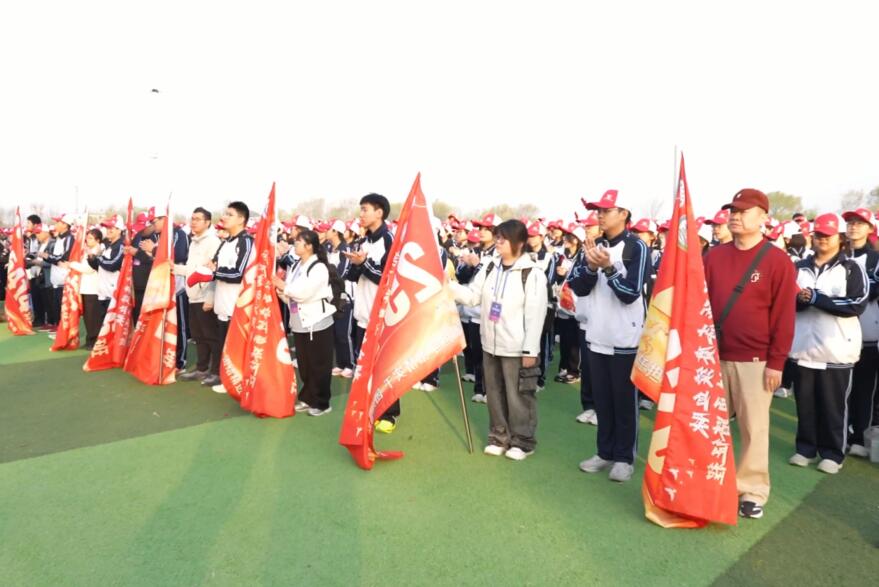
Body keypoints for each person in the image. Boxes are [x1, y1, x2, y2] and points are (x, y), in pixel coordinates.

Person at [704, 188, 798, 519]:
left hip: (756, 361)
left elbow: (784, 317)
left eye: (743, 211)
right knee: (709, 425)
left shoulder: (777, 261)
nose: (735, 216)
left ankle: (751, 490)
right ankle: (709, 483)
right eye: (733, 210)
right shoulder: (713, 256)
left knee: (753, 429)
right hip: (712, 357)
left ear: (763, 218)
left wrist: (777, 362)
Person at [570, 190, 650, 483]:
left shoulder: (636, 247)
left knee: (624, 402)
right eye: (598, 211)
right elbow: (578, 286)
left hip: (625, 338)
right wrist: (592, 267)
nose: (600, 215)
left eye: (606, 210)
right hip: (597, 334)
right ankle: (604, 452)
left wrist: (608, 268)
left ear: (624, 214)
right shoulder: (594, 245)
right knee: (603, 401)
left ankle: (624, 458)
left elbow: (631, 293)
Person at [452, 219, 548, 461]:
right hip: (490, 343)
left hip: (517, 346)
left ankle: (523, 441)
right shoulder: (490, 267)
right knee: (494, 393)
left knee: (518, 395)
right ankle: (499, 436)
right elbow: (472, 296)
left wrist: (530, 350)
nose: (498, 242)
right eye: (498, 237)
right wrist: (448, 286)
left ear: (520, 242)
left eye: (504, 238)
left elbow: (536, 315)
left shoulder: (532, 273)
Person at [789, 213, 868, 474]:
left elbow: (856, 303)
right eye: (819, 234)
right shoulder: (799, 266)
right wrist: (801, 301)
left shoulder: (851, 267)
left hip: (836, 348)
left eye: (828, 235)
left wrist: (817, 298)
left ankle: (833, 453)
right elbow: (786, 299)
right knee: (805, 404)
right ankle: (805, 449)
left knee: (834, 407)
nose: (823, 239)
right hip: (802, 346)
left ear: (840, 238)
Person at [344, 193, 398, 431]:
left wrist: (363, 263)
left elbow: (387, 278)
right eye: (361, 209)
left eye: (365, 209)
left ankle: (389, 414)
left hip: (382, 316)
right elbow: (352, 276)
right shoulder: (364, 241)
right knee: (365, 365)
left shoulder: (389, 239)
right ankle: (368, 406)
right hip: (363, 313)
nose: (361, 214)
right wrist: (356, 264)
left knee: (384, 366)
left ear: (379, 212)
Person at [273, 229, 338, 416]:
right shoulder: (296, 266)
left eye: (299, 242)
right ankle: (308, 397)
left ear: (309, 246)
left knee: (319, 364)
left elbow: (303, 293)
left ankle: (322, 403)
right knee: (305, 364)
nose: (295, 244)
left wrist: (282, 286)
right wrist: (283, 293)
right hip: (299, 322)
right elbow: (293, 295)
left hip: (317, 322)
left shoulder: (318, 268)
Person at [841, 207, 879, 457]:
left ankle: (859, 439)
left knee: (864, 391)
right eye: (850, 222)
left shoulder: (876, 259)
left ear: (870, 228)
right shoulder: (836, 254)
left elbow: (870, 293)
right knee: (840, 391)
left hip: (868, 336)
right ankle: (839, 436)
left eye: (859, 223)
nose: (853, 226)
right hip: (837, 337)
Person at [209, 201, 254, 393]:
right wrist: (211, 270)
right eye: (225, 213)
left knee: (237, 347)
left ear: (241, 219)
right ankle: (227, 380)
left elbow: (238, 273)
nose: (224, 217)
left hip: (237, 305)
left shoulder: (246, 242)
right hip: (222, 303)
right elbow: (213, 265)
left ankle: (238, 383)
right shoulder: (226, 242)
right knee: (224, 344)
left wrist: (215, 272)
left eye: (229, 214)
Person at [176, 207, 222, 386]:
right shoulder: (194, 241)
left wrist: (210, 297)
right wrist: (175, 268)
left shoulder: (213, 242)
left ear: (207, 222)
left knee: (211, 335)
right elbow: (192, 269)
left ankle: (216, 371)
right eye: (192, 218)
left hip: (205, 295)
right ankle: (202, 368)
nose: (193, 222)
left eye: (197, 219)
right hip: (193, 294)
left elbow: (212, 272)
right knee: (198, 335)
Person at [326, 219, 355, 378]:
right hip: (331, 296)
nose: (326, 232)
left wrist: (328, 274)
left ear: (336, 232)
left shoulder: (346, 249)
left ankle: (350, 364)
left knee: (344, 333)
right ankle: (340, 363)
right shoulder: (330, 249)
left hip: (344, 297)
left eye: (329, 229)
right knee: (335, 333)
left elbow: (341, 273)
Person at [67, 228, 103, 348]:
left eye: (91, 238)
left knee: (93, 316)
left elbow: (88, 269)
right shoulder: (88, 250)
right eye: (87, 238)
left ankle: (94, 340)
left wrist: (71, 264)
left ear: (98, 240)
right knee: (87, 316)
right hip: (86, 287)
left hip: (93, 288)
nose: (88, 240)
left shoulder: (98, 250)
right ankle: (90, 339)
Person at [40, 213, 76, 332]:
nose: (55, 224)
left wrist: (48, 257)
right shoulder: (59, 238)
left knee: (62, 305)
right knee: (56, 304)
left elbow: (65, 256)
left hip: (64, 277)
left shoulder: (69, 238)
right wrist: (48, 257)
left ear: (65, 225)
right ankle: (57, 326)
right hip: (56, 276)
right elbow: (56, 257)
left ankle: (62, 329)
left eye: (58, 222)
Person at [93, 215, 126, 330]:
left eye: (111, 228)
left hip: (113, 292)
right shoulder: (108, 245)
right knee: (104, 324)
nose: (108, 230)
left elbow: (112, 265)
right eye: (107, 227)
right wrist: (91, 258)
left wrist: (98, 256)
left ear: (119, 230)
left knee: (113, 326)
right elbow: (99, 266)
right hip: (104, 291)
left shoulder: (121, 245)